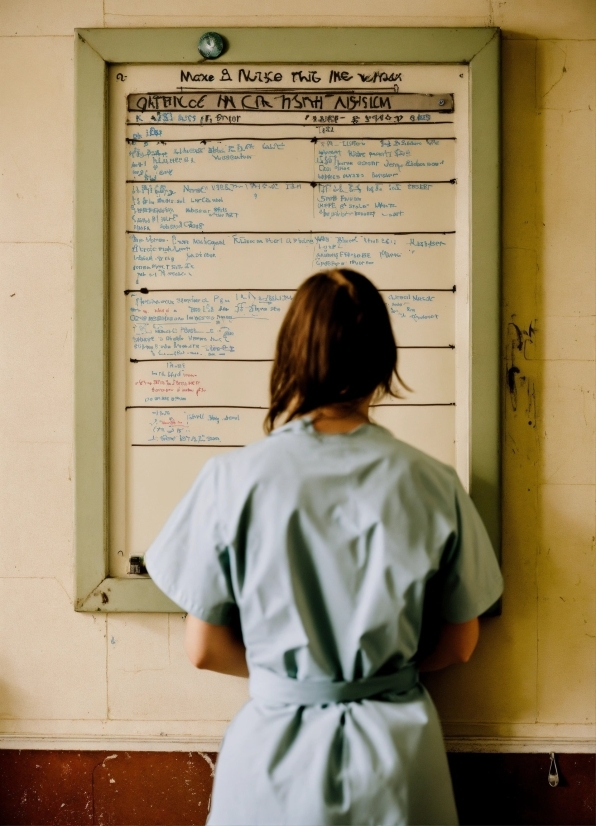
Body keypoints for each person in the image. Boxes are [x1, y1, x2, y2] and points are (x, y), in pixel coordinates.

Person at [145, 268, 503, 826]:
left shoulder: (230, 479)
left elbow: (203, 648)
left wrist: (293, 683)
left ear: (291, 357)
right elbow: (459, 644)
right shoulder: (433, 483)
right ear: (383, 361)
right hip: (397, 762)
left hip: (271, 762)